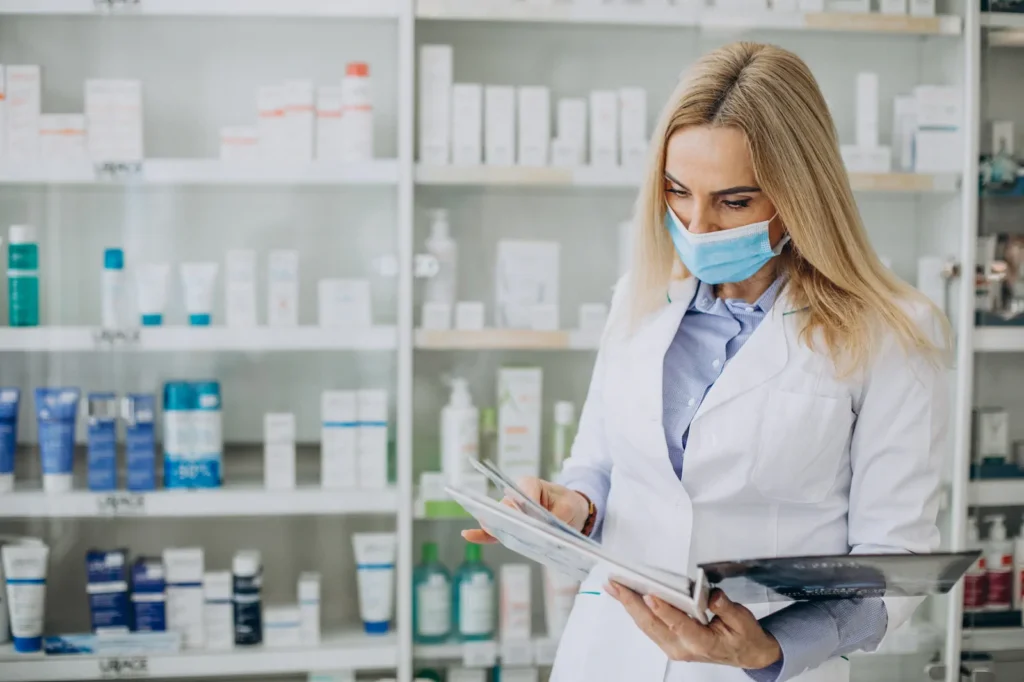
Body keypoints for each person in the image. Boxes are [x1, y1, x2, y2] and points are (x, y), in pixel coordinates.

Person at [464, 41, 949, 682]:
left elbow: (896, 560)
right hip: (609, 652)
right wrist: (568, 507)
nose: (697, 224)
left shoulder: (892, 332)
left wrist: (770, 649)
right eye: (677, 191)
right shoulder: (640, 296)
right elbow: (599, 466)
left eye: (735, 201)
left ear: (799, 194)